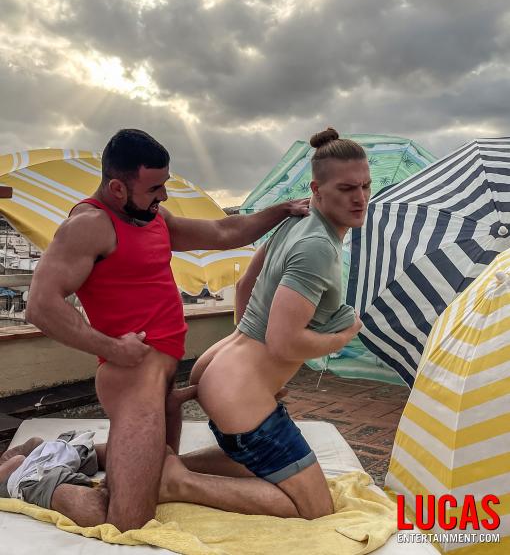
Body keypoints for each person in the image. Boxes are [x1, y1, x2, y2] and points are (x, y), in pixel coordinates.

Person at [25, 129, 309, 532]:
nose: (164, 195)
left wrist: (283, 210)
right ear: (117, 188)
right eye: (154, 188)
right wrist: (112, 348)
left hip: (162, 378)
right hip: (133, 381)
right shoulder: (89, 225)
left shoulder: (155, 218)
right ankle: (24, 476)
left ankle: (55, 452)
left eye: (164, 184)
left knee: (158, 472)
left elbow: (224, 232)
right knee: (126, 520)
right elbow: (41, 305)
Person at [152, 128, 371, 519]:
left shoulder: (298, 218)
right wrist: (341, 336)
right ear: (317, 189)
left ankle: (173, 466)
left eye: (366, 186)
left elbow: (244, 285)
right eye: (346, 188)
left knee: (253, 461)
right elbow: (284, 342)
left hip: (221, 369)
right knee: (314, 507)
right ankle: (176, 483)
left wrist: (248, 353)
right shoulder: (318, 247)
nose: (360, 198)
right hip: (238, 392)